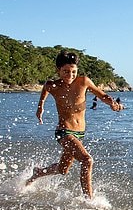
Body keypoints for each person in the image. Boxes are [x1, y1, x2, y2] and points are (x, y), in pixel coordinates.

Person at [26, 50, 124, 199]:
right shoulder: (54, 86)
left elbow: (102, 95)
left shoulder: (83, 81)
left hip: (80, 133)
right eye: (65, 71)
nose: (70, 75)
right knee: (87, 160)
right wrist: (40, 107)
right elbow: (45, 88)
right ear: (58, 70)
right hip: (64, 132)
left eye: (73, 71)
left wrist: (112, 103)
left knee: (62, 169)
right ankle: (89, 200)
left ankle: (39, 172)